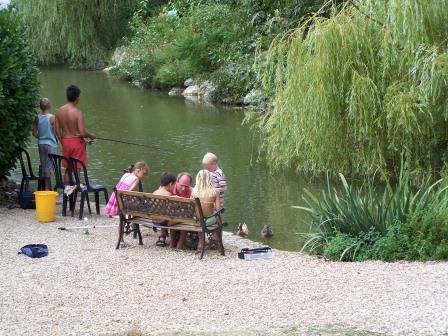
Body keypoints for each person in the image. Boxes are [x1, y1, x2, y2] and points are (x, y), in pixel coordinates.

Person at [54, 85, 95, 184]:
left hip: (65, 142)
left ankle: (66, 193)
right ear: (77, 98)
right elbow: (82, 133)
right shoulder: (77, 113)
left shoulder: (59, 111)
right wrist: (91, 136)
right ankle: (76, 195)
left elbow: (56, 130)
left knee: (68, 169)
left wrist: (62, 141)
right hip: (77, 143)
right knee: (77, 169)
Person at [191, 170, 221, 252]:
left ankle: (201, 242)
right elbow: (218, 209)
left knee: (199, 218)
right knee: (218, 217)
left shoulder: (194, 191)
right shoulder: (215, 191)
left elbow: (191, 207)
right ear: (210, 179)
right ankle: (216, 239)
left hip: (197, 221)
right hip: (209, 221)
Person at [32, 98, 57, 190]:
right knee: (49, 167)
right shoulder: (52, 117)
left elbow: (34, 132)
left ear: (40, 107)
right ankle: (46, 190)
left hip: (41, 144)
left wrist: (41, 137)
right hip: (51, 145)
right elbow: (55, 132)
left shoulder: (37, 117)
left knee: (44, 166)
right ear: (49, 106)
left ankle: (44, 189)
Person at [152, 172, 177, 247]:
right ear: (170, 184)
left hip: (154, 221)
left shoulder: (155, 192)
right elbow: (171, 213)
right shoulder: (168, 195)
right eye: (174, 185)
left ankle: (163, 236)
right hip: (164, 223)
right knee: (181, 218)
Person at [170, 172, 193, 249]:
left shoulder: (192, 191)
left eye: (186, 186)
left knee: (183, 216)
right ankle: (180, 243)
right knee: (183, 218)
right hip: (170, 218)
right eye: (181, 186)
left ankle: (173, 242)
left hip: (173, 219)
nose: (183, 188)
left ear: (190, 185)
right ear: (177, 182)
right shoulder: (169, 188)